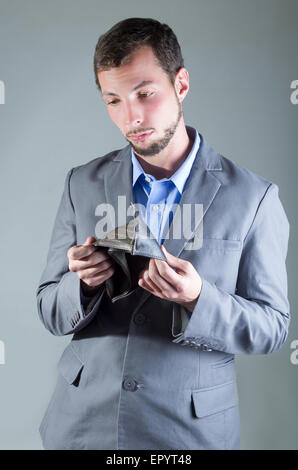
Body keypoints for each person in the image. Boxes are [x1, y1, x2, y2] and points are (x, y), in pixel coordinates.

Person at [36, 17, 290, 450]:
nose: (131, 117)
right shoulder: (81, 183)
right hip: (81, 427)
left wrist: (198, 298)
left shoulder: (255, 197)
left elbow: (272, 326)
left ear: (182, 85)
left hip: (187, 434)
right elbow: (48, 307)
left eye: (145, 94)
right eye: (113, 100)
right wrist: (80, 284)